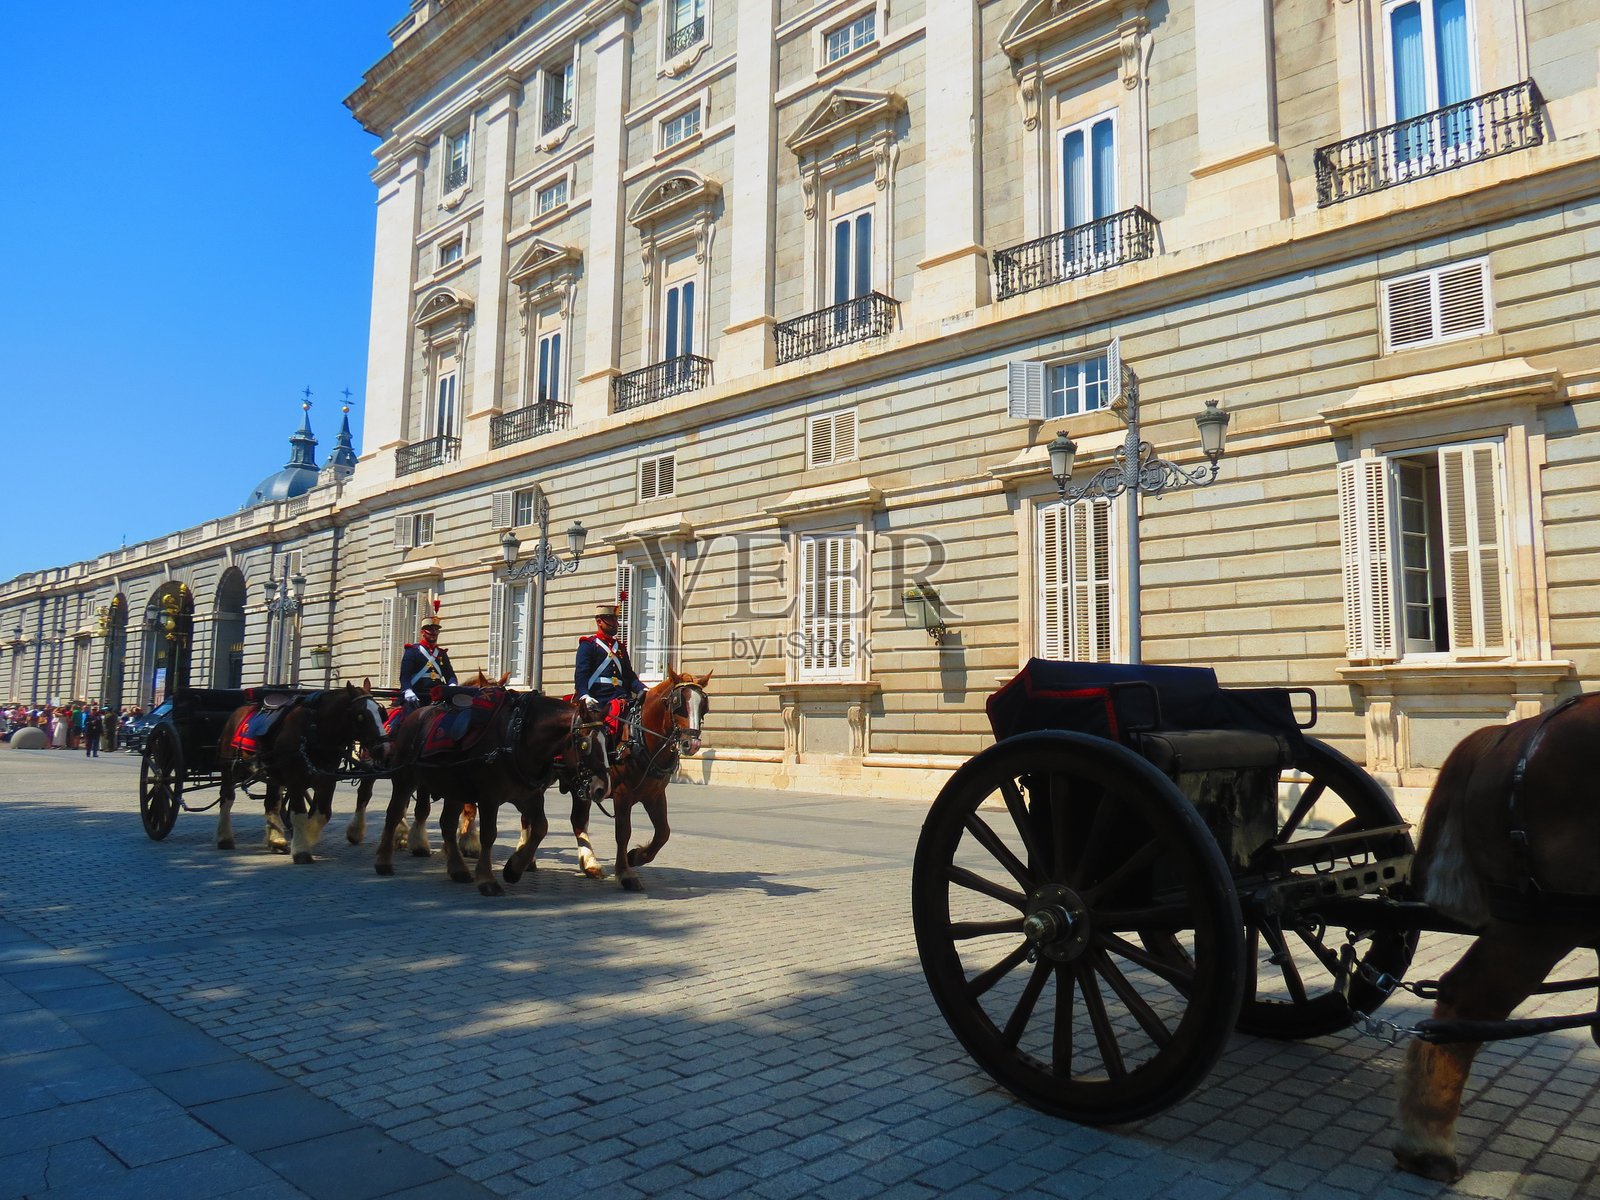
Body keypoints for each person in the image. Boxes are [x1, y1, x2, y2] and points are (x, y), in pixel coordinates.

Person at [575, 601, 645, 749]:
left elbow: (629, 676)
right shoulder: (588, 645)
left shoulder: (619, 647)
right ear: (600, 621)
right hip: (598, 699)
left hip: (621, 698)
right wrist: (584, 695)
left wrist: (643, 690)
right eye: (611, 620)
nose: (616, 624)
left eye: (616, 619)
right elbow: (581, 675)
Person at [399, 614, 456, 707]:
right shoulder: (412, 651)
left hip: (438, 695)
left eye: (436, 630)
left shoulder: (442, 653)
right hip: (417, 694)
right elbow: (405, 676)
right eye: (430, 630)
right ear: (423, 632)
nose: (434, 633)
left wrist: (452, 684)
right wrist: (408, 690)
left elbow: (450, 675)